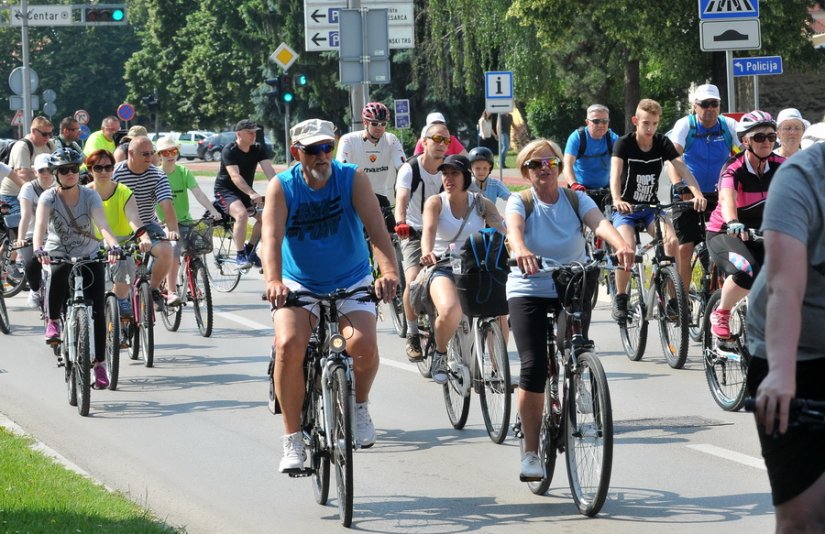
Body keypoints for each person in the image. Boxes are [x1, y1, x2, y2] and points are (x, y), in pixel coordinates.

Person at [261, 118, 399, 472]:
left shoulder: (352, 178)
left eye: (327, 147)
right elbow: (271, 240)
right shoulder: (283, 186)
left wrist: (389, 272)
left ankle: (360, 405)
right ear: (297, 153)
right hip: (299, 282)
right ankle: (292, 439)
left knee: (363, 343)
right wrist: (274, 281)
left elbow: (377, 233)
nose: (322, 156)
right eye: (313, 150)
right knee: (289, 345)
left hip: (350, 277)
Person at [505, 139, 634, 481]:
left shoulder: (576, 198)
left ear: (559, 168)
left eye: (549, 163)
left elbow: (599, 222)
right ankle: (531, 452)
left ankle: (579, 376)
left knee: (575, 344)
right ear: (526, 172)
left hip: (571, 283)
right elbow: (514, 230)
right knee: (533, 367)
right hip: (530, 287)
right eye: (535, 165)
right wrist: (520, 249)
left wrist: (620, 243)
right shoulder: (521, 201)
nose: (543, 169)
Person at [745, 140, 825, 533]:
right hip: (793, 352)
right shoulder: (803, 178)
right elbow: (784, 285)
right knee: (805, 519)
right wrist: (781, 372)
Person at [31, 147, 121, 389]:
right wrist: (39, 248)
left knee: (98, 310)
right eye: (64, 170)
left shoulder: (90, 196)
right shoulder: (48, 197)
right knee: (57, 272)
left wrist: (112, 245)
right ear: (55, 173)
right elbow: (40, 224)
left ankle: (100, 364)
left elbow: (102, 224)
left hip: (88, 254)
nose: (70, 174)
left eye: (74, 169)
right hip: (58, 253)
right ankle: (52, 321)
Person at [610, 98, 706, 322]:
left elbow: (682, 168)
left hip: (650, 208)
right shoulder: (624, 143)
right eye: (645, 123)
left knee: (672, 242)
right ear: (635, 121)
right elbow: (615, 174)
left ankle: (674, 302)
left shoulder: (662, 143)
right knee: (627, 248)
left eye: (654, 123)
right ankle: (622, 298)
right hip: (626, 208)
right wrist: (617, 198)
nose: (650, 128)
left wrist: (697, 193)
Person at [420, 155, 504, 384]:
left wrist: (517, 248)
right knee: (450, 310)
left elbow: (502, 230)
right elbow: (428, 230)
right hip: (443, 266)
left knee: (500, 312)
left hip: (476, 268)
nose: (448, 178)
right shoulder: (435, 202)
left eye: (454, 173)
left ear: (466, 176)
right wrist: (427, 252)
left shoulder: (481, 203)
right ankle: (439, 353)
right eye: (445, 174)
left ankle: (498, 368)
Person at [705, 111, 784, 339]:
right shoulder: (733, 168)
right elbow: (727, 198)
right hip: (726, 233)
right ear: (745, 141)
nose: (767, 142)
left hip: (763, 234)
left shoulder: (782, 165)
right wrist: (732, 222)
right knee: (747, 271)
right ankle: (722, 312)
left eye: (771, 137)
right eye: (759, 137)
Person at [667, 84, 741, 290]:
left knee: (726, 242)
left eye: (714, 104)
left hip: (720, 194)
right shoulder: (686, 125)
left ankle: (716, 288)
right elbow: (673, 158)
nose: (709, 108)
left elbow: (743, 154)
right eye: (704, 104)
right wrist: (680, 186)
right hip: (688, 194)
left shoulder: (728, 126)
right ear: (695, 106)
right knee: (685, 247)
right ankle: (680, 301)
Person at [395, 122, 451, 361]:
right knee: (413, 282)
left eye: (446, 141)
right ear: (424, 142)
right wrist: (401, 222)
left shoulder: (450, 169)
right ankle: (413, 333)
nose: (441, 145)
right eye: (436, 139)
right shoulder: (410, 169)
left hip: (444, 233)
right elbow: (402, 198)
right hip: (415, 233)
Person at [112, 136, 180, 308]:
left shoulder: (157, 174)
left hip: (147, 223)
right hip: (120, 225)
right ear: (130, 154)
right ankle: (118, 304)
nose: (149, 158)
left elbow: (166, 204)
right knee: (122, 264)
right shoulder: (116, 173)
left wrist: (172, 229)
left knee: (166, 250)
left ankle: (153, 289)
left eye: (152, 153)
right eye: (144, 154)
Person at [86, 149, 153, 319]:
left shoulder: (123, 191)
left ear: (113, 169)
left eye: (108, 167)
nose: (103, 172)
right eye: (98, 168)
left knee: (124, 265)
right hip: (93, 242)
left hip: (122, 241)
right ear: (90, 170)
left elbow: (133, 217)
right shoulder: (84, 193)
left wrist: (144, 237)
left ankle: (122, 300)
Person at [154, 136, 221, 300]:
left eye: (174, 151)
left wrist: (213, 211)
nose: (170, 155)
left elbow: (198, 193)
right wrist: (155, 219)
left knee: (197, 247)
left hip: (184, 220)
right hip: (165, 224)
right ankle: (171, 292)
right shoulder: (155, 174)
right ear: (159, 155)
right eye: (166, 152)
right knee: (175, 249)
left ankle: (192, 284)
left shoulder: (183, 172)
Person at [213, 119, 277, 269]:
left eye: (255, 132)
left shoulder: (257, 149)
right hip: (225, 191)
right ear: (239, 134)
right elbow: (235, 176)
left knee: (266, 217)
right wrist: (252, 193)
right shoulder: (230, 150)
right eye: (249, 132)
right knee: (241, 215)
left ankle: (250, 250)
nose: (253, 135)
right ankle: (240, 255)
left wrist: (280, 189)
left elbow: (270, 171)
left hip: (245, 193)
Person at [335, 102, 407, 233]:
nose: (379, 128)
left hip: (380, 195)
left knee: (394, 235)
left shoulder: (391, 140)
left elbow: (403, 168)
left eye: (383, 124)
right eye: (374, 123)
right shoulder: (348, 140)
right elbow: (342, 169)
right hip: (355, 195)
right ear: (365, 122)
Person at [562, 104, 619, 211]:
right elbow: (567, 165)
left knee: (610, 222)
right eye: (596, 121)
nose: (601, 125)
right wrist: (574, 184)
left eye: (605, 121)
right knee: (578, 224)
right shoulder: (577, 137)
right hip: (581, 190)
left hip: (606, 190)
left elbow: (624, 162)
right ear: (587, 122)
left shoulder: (612, 138)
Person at [1, 116, 55, 227]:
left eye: (50, 134)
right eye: (44, 134)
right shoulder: (22, 146)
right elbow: (23, 176)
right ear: (34, 131)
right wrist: (38, 194)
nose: (48, 137)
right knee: (25, 223)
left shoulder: (50, 145)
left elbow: (57, 169)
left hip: (39, 193)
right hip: (14, 195)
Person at [17, 154, 55, 309]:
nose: (46, 173)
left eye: (49, 169)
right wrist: (20, 239)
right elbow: (25, 215)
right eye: (42, 170)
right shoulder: (28, 188)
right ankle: (34, 289)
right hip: (32, 234)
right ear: (34, 171)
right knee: (30, 263)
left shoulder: (58, 186)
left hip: (53, 235)